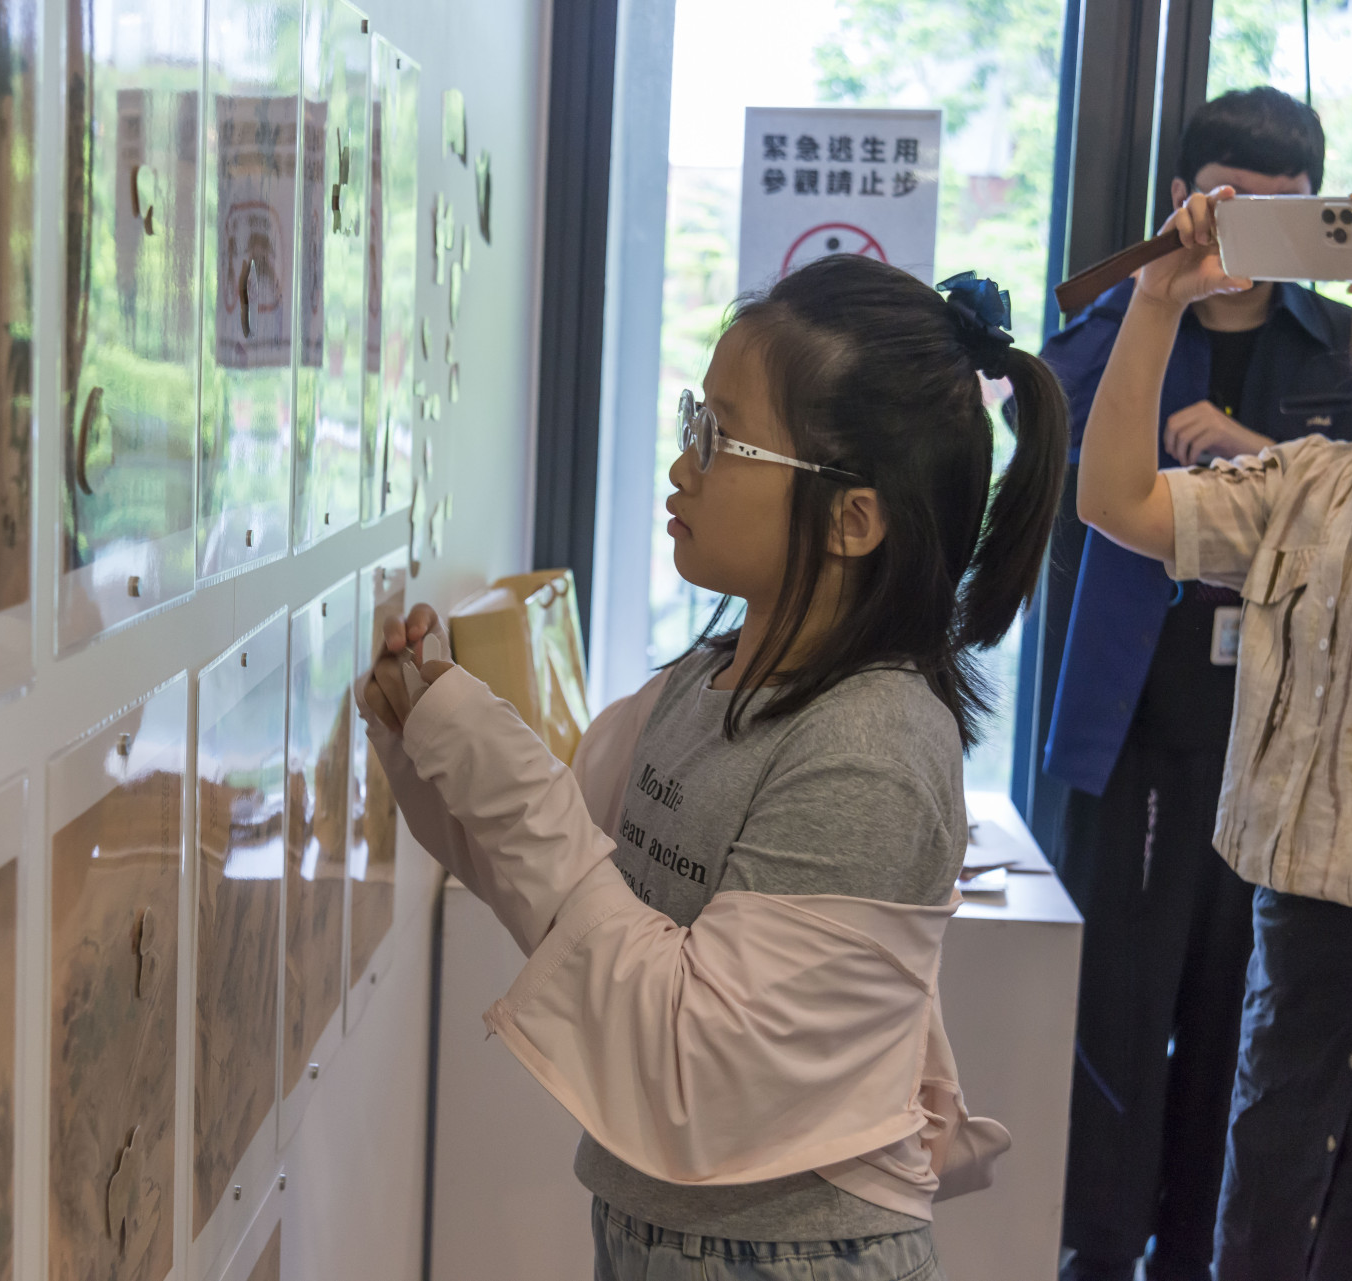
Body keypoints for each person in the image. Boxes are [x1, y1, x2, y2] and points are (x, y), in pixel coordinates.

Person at [357, 253, 1067, 1281]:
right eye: (696, 420)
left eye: (721, 439)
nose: (683, 466)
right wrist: (426, 730)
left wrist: (480, 754)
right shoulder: (713, 673)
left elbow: (692, 1060)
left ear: (853, 518)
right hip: (657, 1230)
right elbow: (556, 888)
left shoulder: (873, 750)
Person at [1075, 114, 1352, 1281]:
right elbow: (1116, 500)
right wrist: (1158, 303)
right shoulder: (1312, 479)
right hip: (1293, 951)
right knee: (1259, 1242)